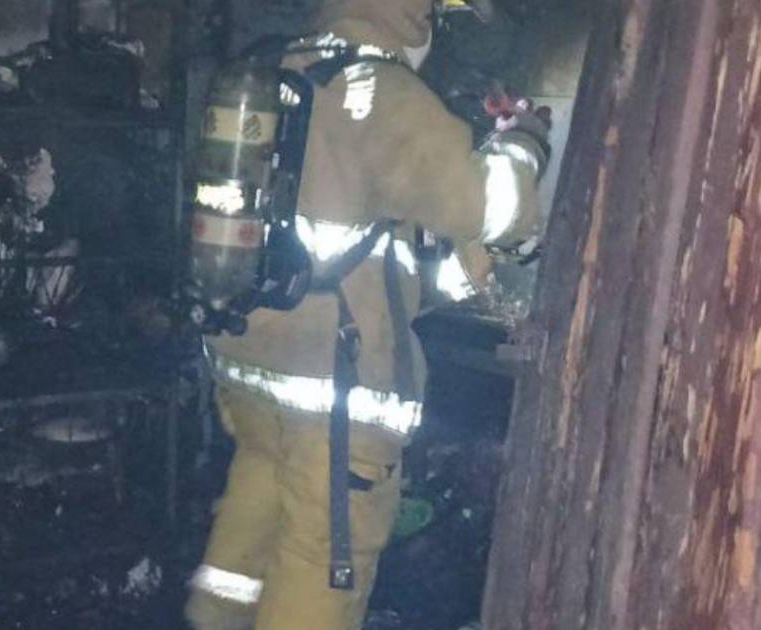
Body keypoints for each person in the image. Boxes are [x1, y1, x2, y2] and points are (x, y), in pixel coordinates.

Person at [185, 0, 550, 628]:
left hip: (253, 366)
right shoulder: (382, 90)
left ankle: (212, 620)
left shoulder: (285, 68)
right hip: (335, 392)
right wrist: (525, 144)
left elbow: (364, 258)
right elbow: (489, 207)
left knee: (253, 515)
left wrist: (472, 265)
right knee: (324, 557)